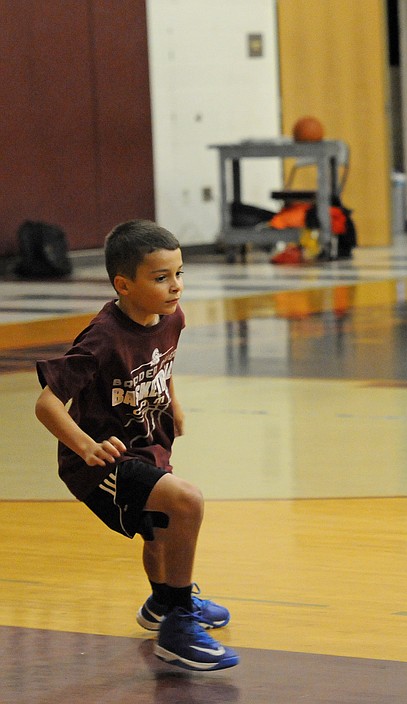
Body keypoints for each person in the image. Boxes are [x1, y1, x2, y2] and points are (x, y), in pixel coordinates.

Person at [34, 220, 238, 672]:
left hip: (148, 444)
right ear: (123, 285)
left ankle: (162, 603)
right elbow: (47, 404)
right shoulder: (104, 337)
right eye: (161, 278)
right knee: (186, 501)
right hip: (99, 463)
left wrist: (174, 402)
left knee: (158, 526)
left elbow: (160, 364)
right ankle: (178, 624)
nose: (175, 287)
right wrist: (85, 447)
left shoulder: (172, 318)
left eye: (179, 274)